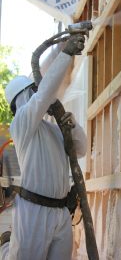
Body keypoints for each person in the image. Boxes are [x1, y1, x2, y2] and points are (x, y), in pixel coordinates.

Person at [0, 34, 87, 260]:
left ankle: (8, 245)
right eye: (32, 92)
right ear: (22, 99)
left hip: (60, 213)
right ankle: (5, 247)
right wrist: (66, 53)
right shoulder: (21, 123)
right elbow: (42, 97)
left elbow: (82, 148)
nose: (37, 95)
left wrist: (72, 125)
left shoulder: (53, 129)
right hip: (33, 211)